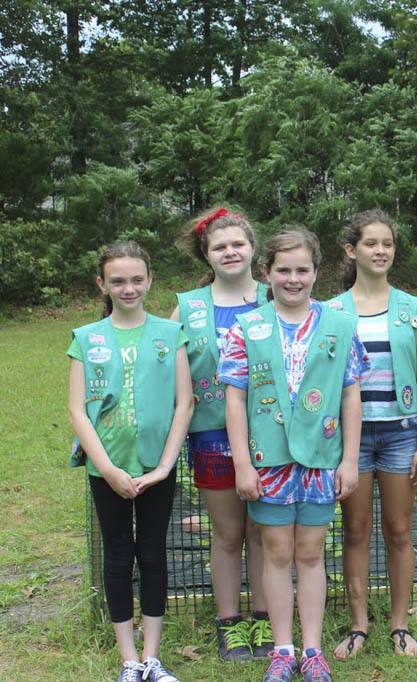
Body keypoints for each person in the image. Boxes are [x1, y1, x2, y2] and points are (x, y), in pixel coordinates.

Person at [221, 229, 367, 682]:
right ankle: (282, 650)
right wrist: (243, 463)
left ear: (316, 273)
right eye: (283, 270)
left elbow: (350, 396)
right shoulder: (246, 329)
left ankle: (313, 649)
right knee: (277, 552)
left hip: (323, 459)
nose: (293, 278)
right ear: (266, 273)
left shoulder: (340, 325)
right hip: (269, 462)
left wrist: (349, 460)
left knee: (310, 551)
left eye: (302, 270)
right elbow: (236, 399)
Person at [67, 242, 193, 682]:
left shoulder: (169, 334)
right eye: (117, 280)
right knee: (118, 557)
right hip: (109, 469)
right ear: (102, 284)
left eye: (136, 279)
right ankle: (129, 660)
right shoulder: (87, 338)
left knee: (154, 554)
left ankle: (154, 657)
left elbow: (185, 403)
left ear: (150, 280)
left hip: (158, 467)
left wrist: (163, 466)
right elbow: (78, 411)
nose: (128, 287)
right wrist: (107, 468)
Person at [329, 210, 417, 659]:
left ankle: (399, 624)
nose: (381, 251)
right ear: (352, 251)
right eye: (371, 244)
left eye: (387, 244)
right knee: (354, 531)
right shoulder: (331, 311)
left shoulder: (413, 309)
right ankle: (358, 626)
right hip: (350, 441)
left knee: (398, 531)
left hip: (400, 434)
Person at [171, 207, 272, 660]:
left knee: (265, 533)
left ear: (252, 248)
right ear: (206, 254)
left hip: (273, 435)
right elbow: (167, 377)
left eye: (238, 244)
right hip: (211, 434)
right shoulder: (187, 308)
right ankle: (230, 622)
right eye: (220, 246)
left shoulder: (278, 295)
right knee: (228, 533)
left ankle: (267, 618)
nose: (230, 252)